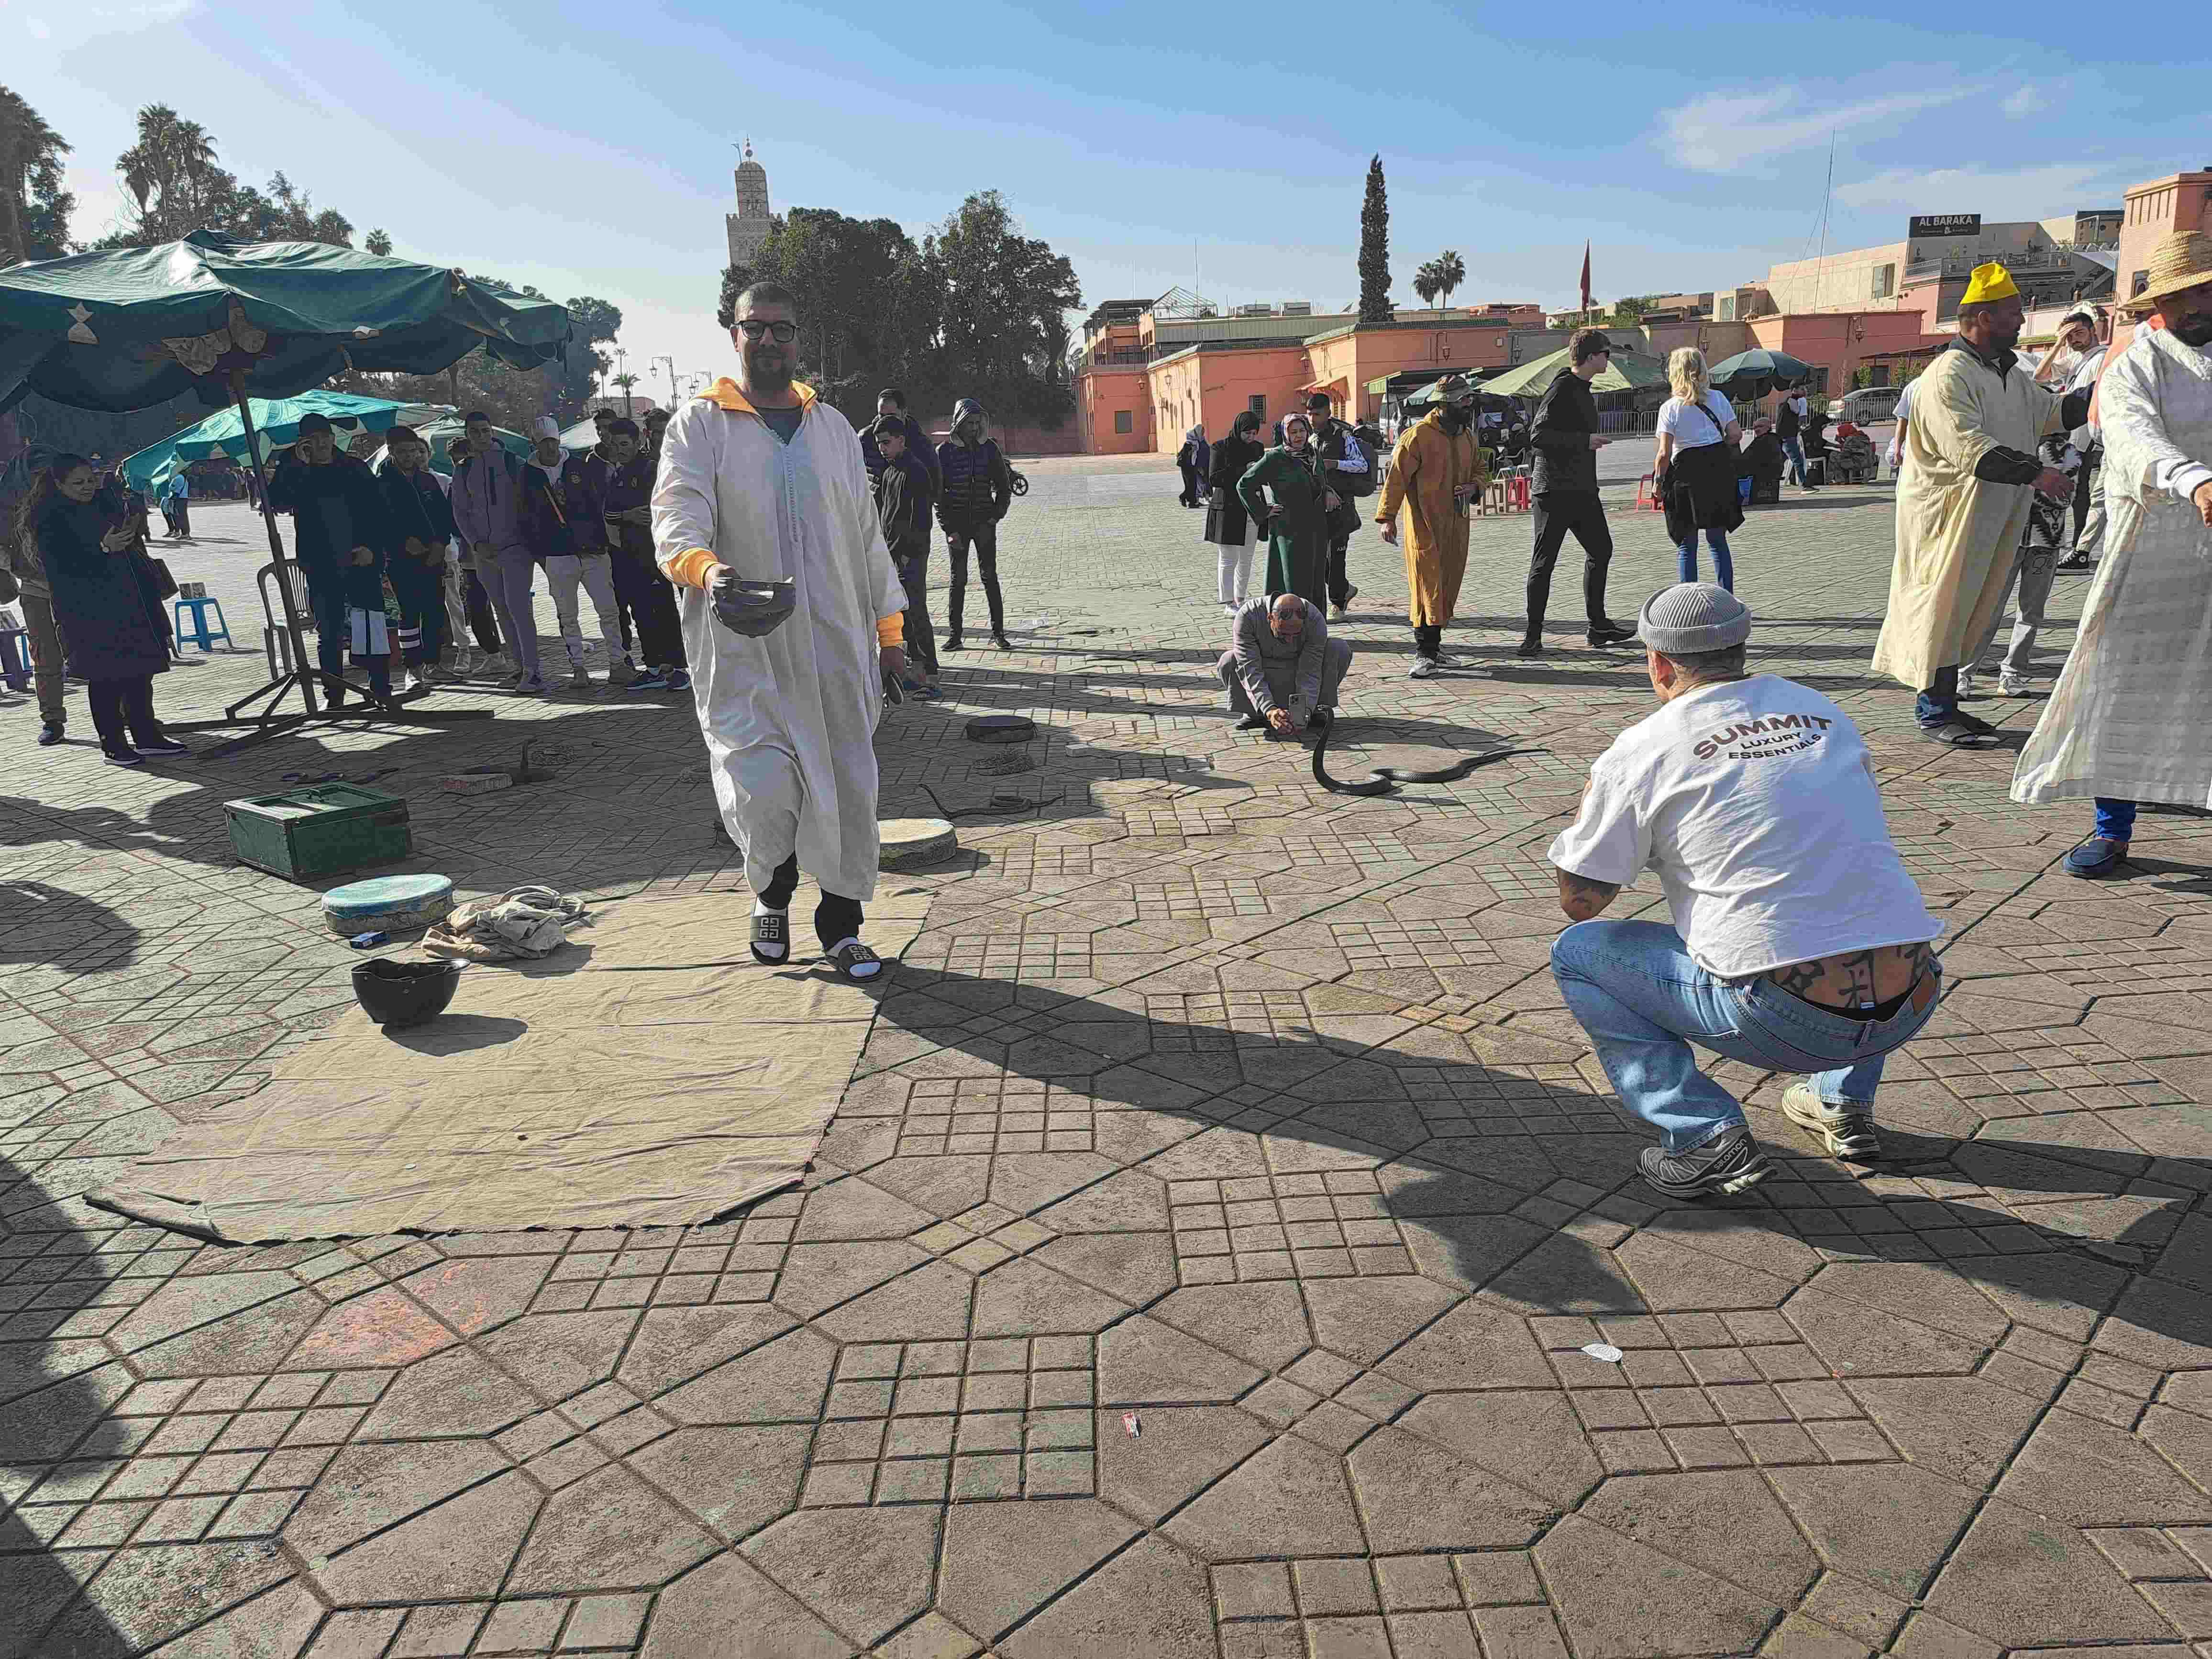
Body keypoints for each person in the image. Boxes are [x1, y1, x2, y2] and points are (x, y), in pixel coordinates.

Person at [1547, 583, 1943, 1197]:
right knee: (1849, 896)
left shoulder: (1643, 748)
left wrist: (1590, 815)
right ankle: (1841, 1101)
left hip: (1782, 1019)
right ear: (1739, 647)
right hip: (1913, 996)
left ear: (1658, 663)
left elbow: (1582, 901)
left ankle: (1701, 1134)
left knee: (1579, 952)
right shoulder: (1822, 711)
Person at [653, 279, 909, 981]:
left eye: (782, 329)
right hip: (746, 651)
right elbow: (676, 521)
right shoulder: (700, 426)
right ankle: (770, 894)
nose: (769, 340)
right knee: (763, 791)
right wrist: (710, 574)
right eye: (755, 328)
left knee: (846, 791)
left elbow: (866, 537)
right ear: (733, 335)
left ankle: (841, 929)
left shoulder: (833, 429)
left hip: (835, 649)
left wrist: (890, 636)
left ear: (799, 339)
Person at [2013, 228, 2212, 878]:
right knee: (2123, 685)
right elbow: (2131, 436)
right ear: (2161, 305)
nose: (2196, 307)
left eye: (2206, 292)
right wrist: (2194, 481)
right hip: (2151, 550)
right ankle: (2113, 828)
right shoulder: (2136, 364)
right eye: (2182, 297)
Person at [1870, 263, 2090, 749]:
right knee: (1942, 608)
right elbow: (1971, 448)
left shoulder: (2009, 375)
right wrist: (2038, 473)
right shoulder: (1948, 375)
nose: (2022, 322)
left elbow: (2054, 413)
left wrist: (2108, 382)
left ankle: (1947, 705)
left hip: (1989, 515)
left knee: (1970, 608)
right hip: (1948, 520)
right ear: (1985, 318)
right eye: (2014, 313)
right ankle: (1933, 712)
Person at [21, 454, 190, 765]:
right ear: (59, 484)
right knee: (106, 678)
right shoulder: (50, 519)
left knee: (140, 673)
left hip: (127, 602)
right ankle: (112, 745)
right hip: (88, 611)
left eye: (91, 480)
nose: (87, 487)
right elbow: (61, 568)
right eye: (78, 483)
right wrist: (103, 549)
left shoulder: (101, 505)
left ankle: (146, 736)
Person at [268, 412, 395, 707]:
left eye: (325, 437)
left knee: (371, 625)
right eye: (314, 439)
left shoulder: (353, 467)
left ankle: (380, 688)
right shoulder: (295, 468)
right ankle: (334, 695)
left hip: (361, 560)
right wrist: (297, 465)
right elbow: (279, 503)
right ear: (304, 443)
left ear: (333, 438)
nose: (322, 444)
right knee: (329, 632)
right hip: (321, 563)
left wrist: (371, 548)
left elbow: (379, 511)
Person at [1525, 330, 1637, 655]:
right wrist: (1583, 441)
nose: (1609, 359)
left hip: (1582, 490)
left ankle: (1598, 626)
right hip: (1554, 491)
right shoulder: (1562, 387)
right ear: (1591, 357)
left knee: (1601, 550)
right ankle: (1533, 635)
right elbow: (1538, 436)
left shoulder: (1584, 390)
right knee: (1544, 562)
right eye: (1606, 354)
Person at [1376, 373, 1485, 678]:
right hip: (1424, 526)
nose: (1469, 405)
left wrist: (1474, 487)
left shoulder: (1467, 436)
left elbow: (1480, 469)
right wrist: (1387, 518)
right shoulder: (1417, 437)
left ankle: (1435, 650)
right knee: (1426, 586)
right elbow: (1396, 478)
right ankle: (1423, 654)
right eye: (1463, 400)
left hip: (1457, 525)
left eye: (1469, 399)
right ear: (1446, 404)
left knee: (1447, 585)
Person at [524, 417, 627, 692]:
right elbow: (526, 516)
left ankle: (618, 663)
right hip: (557, 555)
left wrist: (602, 543)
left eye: (553, 441)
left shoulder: (578, 466)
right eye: (544, 442)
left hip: (592, 552)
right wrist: (540, 553)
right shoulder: (528, 474)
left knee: (609, 610)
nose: (550, 447)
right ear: (535, 443)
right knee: (567, 615)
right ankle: (578, 667)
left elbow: (597, 505)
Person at [449, 412, 546, 694]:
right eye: (475, 432)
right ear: (467, 435)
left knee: (519, 609)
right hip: (483, 552)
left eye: (485, 430)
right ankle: (519, 667)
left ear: (492, 431)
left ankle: (533, 671)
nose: (481, 436)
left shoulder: (513, 462)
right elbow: (460, 512)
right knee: (501, 610)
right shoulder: (463, 469)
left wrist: (525, 540)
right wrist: (476, 544)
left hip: (516, 549)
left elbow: (531, 505)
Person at [603, 418, 689, 691]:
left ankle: (680, 668)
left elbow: (659, 510)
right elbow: (609, 514)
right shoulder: (618, 475)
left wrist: (631, 516)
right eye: (615, 445)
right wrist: (627, 515)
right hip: (630, 556)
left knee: (664, 610)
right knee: (641, 612)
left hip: (655, 555)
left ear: (638, 441)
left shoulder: (651, 469)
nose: (620, 450)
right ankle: (654, 667)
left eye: (624, 444)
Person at [1652, 348, 1744, 590]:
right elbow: (1736, 434)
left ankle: (1689, 600)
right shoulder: (1718, 398)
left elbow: (1664, 453)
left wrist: (1658, 483)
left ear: (1675, 372)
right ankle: (1727, 598)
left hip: (1686, 476)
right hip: (1717, 472)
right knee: (1717, 541)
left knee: (1687, 544)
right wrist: (1716, 446)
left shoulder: (1670, 408)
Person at [375, 425, 455, 693]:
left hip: (433, 558)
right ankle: (413, 669)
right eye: (403, 452)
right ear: (392, 452)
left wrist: (440, 545)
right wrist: (402, 542)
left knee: (434, 611)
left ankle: (434, 664)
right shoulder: (382, 484)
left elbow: (444, 517)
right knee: (410, 613)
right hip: (401, 561)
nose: (410, 456)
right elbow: (377, 523)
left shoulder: (428, 481)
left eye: (413, 451)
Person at [935, 398, 1013, 651]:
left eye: (978, 423)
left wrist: (995, 516)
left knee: (990, 577)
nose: (974, 427)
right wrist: (948, 529)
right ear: (959, 423)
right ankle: (955, 636)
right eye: (970, 422)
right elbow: (939, 495)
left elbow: (1004, 487)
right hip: (957, 526)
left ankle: (999, 634)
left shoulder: (989, 449)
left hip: (984, 524)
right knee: (958, 580)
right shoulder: (944, 452)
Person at [1237, 412, 1334, 611]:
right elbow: (1244, 485)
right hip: (1289, 531)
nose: (1299, 436)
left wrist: (1329, 491)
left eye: (1302, 431)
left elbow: (1319, 482)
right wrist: (1263, 511)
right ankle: (1288, 624)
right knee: (1293, 582)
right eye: (1293, 432)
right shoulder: (1275, 458)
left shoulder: (1313, 455)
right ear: (1285, 434)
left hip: (1316, 528)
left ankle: (1314, 624)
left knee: (1315, 580)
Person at [872, 414, 939, 697]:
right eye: (879, 444)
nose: (882, 449)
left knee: (916, 613)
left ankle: (930, 676)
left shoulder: (916, 472)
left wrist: (909, 555)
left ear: (901, 440)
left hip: (911, 557)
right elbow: (885, 517)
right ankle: (916, 672)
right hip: (893, 556)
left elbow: (922, 521)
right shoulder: (890, 473)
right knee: (903, 616)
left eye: (887, 442)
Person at [1217, 592, 1351, 733]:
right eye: (1283, 634)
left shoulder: (1315, 619)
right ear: (1270, 618)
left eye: (1296, 634)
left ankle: (1316, 710)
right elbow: (1249, 668)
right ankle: (1255, 713)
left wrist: (1305, 709)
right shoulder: (1248, 616)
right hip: (1266, 674)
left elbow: (1311, 670)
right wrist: (1269, 708)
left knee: (1338, 649)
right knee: (1229, 660)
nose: (1289, 640)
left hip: (1297, 673)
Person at [1, 458, 67, 745]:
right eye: (37, 473)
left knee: (101, 651)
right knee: (45, 657)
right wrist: (22, 568)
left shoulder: (74, 499)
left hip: (82, 590)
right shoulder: (9, 509)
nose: (42, 479)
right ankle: (52, 719)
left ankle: (125, 714)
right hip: (36, 592)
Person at [441, 436, 506, 675]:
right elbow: (453, 520)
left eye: (465, 458)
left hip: (502, 552)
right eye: (456, 461)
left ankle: (515, 657)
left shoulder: (493, 477)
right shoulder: (455, 484)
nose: (461, 464)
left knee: (505, 606)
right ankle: (495, 655)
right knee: (479, 608)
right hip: (472, 556)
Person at [1301, 392, 1368, 619]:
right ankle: (1345, 589)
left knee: (1337, 557)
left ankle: (1338, 604)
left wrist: (1335, 464)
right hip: (1318, 508)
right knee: (1319, 558)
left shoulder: (1343, 436)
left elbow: (1361, 465)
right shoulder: (1310, 439)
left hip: (1341, 507)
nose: (1312, 419)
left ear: (1328, 413)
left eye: (1317, 414)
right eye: (1310, 414)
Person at [1204, 411, 1266, 615]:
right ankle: (1229, 603)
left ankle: (1241, 599)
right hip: (1228, 510)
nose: (1251, 438)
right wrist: (1244, 469)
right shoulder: (1220, 447)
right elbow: (1215, 478)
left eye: (1254, 433)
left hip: (1251, 509)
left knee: (1247, 559)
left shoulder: (1257, 448)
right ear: (1238, 430)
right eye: (1247, 433)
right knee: (1229, 559)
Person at [860, 389, 940, 496]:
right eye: (882, 415)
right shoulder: (865, 439)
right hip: (873, 504)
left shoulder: (922, 444)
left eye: (891, 415)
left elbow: (935, 487)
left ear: (904, 413)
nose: (886, 420)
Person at [1740, 418, 1785, 506]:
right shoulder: (1773, 439)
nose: (1757, 429)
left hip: (1762, 475)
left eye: (1760, 426)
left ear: (1768, 427)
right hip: (1769, 474)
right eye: (1755, 428)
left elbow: (1746, 459)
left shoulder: (1765, 440)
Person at [1776, 386, 1813, 489]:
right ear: (1795, 390)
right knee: (1798, 461)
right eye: (1802, 389)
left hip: (1783, 436)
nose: (1805, 391)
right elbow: (1798, 414)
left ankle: (1771, 481)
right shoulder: (1793, 401)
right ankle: (1805, 485)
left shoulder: (1787, 402)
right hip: (1788, 436)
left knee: (1781, 460)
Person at [1884, 378, 1916, 480]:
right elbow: (1903, 420)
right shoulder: (1914, 387)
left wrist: (1897, 451)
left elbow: (1903, 420)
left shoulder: (1914, 386)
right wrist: (1897, 451)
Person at [1175, 425, 1208, 508]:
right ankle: (1184, 498)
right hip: (1187, 468)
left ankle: (1193, 502)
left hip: (1192, 467)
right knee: (1191, 485)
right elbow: (1186, 457)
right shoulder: (1189, 444)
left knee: (1192, 486)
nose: (1202, 434)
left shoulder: (1196, 443)